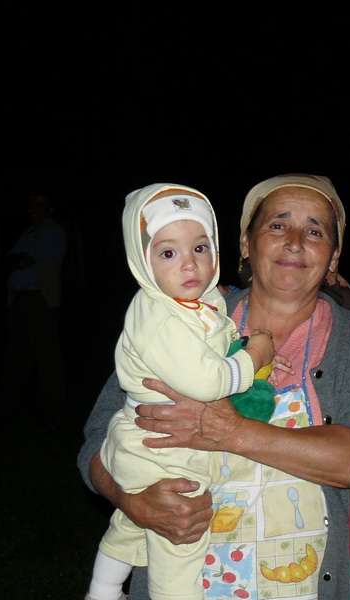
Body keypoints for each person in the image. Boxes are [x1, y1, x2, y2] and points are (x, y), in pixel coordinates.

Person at [78, 174, 350, 600]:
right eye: (277, 225)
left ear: (333, 258)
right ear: (245, 244)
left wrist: (231, 432)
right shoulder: (179, 318)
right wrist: (131, 500)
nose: (294, 242)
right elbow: (98, 439)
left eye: (314, 231)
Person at [86, 184, 281, 600]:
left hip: (144, 443)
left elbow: (216, 343)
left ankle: (102, 590)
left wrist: (248, 352)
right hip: (160, 449)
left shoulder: (195, 303)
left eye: (200, 247)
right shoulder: (159, 314)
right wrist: (254, 356)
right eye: (168, 253)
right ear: (142, 261)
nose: (189, 264)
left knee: (130, 527)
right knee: (181, 547)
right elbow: (206, 381)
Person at [4, 192, 67, 411]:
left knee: (46, 357)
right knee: (16, 354)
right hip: (19, 299)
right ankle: (9, 408)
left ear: (50, 210)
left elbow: (23, 260)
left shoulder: (54, 232)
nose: (34, 208)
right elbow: (9, 260)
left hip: (40, 300)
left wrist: (16, 260)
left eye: (40, 204)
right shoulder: (28, 232)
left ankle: (54, 411)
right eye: (31, 204)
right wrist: (14, 260)